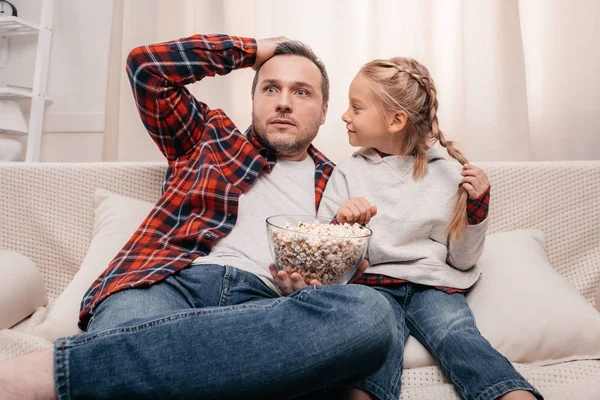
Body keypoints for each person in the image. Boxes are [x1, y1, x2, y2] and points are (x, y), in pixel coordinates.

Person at [0, 34, 396, 400]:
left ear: (324, 110)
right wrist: (252, 50)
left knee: (371, 313)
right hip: (163, 287)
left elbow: (351, 278)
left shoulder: (339, 183)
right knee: (124, 337)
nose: (283, 102)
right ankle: (49, 375)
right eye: (271, 88)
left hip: (264, 309)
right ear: (254, 98)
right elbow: (146, 67)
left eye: (301, 92)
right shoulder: (206, 136)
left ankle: (73, 370)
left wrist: (322, 283)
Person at [317, 57, 543, 400]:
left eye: (356, 107)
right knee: (376, 346)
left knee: (459, 335)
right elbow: (325, 263)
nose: (345, 115)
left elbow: (463, 261)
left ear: (396, 120)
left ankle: (510, 393)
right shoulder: (348, 173)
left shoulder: (449, 173)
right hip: (373, 289)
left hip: (434, 287)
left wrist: (476, 207)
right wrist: (342, 225)